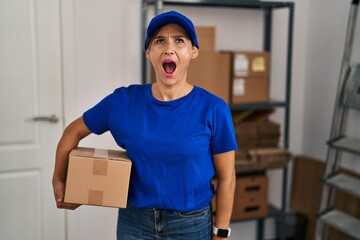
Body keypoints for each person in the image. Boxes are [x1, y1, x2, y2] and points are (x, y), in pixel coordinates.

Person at [52, 10, 237, 240]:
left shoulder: (214, 109)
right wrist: (59, 179)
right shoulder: (123, 101)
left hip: (190, 224)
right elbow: (73, 131)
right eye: (160, 41)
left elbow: (227, 178)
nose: (169, 48)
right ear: (149, 52)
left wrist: (221, 233)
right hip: (134, 222)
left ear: (193, 52)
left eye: (179, 41)